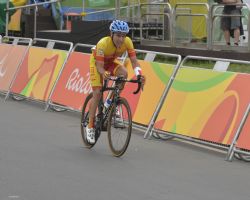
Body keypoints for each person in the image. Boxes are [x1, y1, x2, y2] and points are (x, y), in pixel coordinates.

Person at [86, 20, 145, 144]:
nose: (121, 39)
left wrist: (139, 74)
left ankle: (110, 102)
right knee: (97, 93)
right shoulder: (103, 43)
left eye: (124, 35)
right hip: (97, 64)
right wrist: (103, 73)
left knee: (124, 73)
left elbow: (134, 61)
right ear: (111, 34)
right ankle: (90, 126)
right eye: (118, 35)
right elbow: (100, 66)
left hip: (111, 62)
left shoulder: (127, 42)